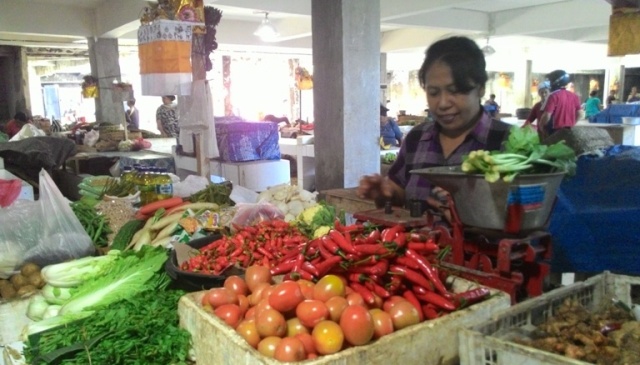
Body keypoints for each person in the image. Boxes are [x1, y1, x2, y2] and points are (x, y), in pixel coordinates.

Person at [357, 36, 511, 212]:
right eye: (434, 93)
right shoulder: (417, 138)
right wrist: (385, 193)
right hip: (418, 240)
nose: (443, 103)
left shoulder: (507, 142)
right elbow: (399, 194)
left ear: (481, 88)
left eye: (454, 91)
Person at [538, 69, 581, 140]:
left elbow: (547, 115)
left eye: (551, 81)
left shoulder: (553, 96)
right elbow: (581, 114)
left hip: (555, 132)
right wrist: (572, 124)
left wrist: (541, 126)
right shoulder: (574, 96)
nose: (550, 84)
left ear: (557, 82)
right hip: (569, 131)